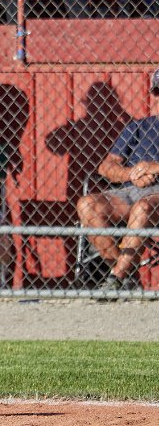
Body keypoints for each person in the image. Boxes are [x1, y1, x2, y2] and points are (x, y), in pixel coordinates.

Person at [75, 70, 159, 291]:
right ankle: (125, 278)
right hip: (131, 190)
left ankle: (116, 279)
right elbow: (106, 167)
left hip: (155, 198)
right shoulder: (139, 127)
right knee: (87, 204)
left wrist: (154, 168)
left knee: (143, 208)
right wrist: (132, 174)